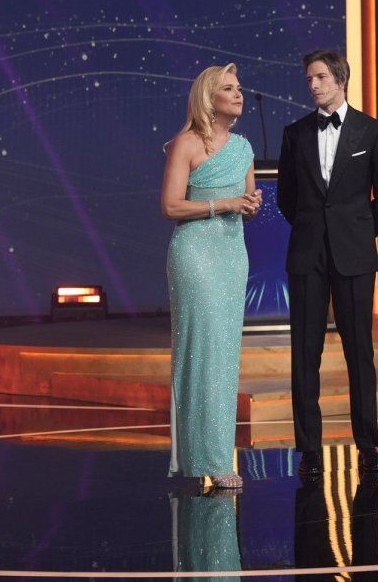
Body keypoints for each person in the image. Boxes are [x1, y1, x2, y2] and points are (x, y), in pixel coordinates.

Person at [276, 50, 378, 477]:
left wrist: (358, 233)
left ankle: (368, 444)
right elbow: (287, 199)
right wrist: (315, 231)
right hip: (306, 255)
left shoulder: (372, 131)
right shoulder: (295, 133)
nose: (312, 85)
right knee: (304, 353)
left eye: (320, 77)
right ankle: (309, 449)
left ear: (341, 80)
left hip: (354, 255)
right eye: (309, 78)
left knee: (359, 352)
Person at [161, 63, 262, 489]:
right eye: (228, 88)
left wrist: (249, 204)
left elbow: (247, 199)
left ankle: (217, 454)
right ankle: (204, 457)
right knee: (200, 350)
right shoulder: (185, 144)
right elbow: (170, 206)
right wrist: (224, 204)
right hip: (195, 254)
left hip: (232, 254)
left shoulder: (243, 148)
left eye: (239, 88)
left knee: (224, 354)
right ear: (208, 97)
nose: (238, 94)